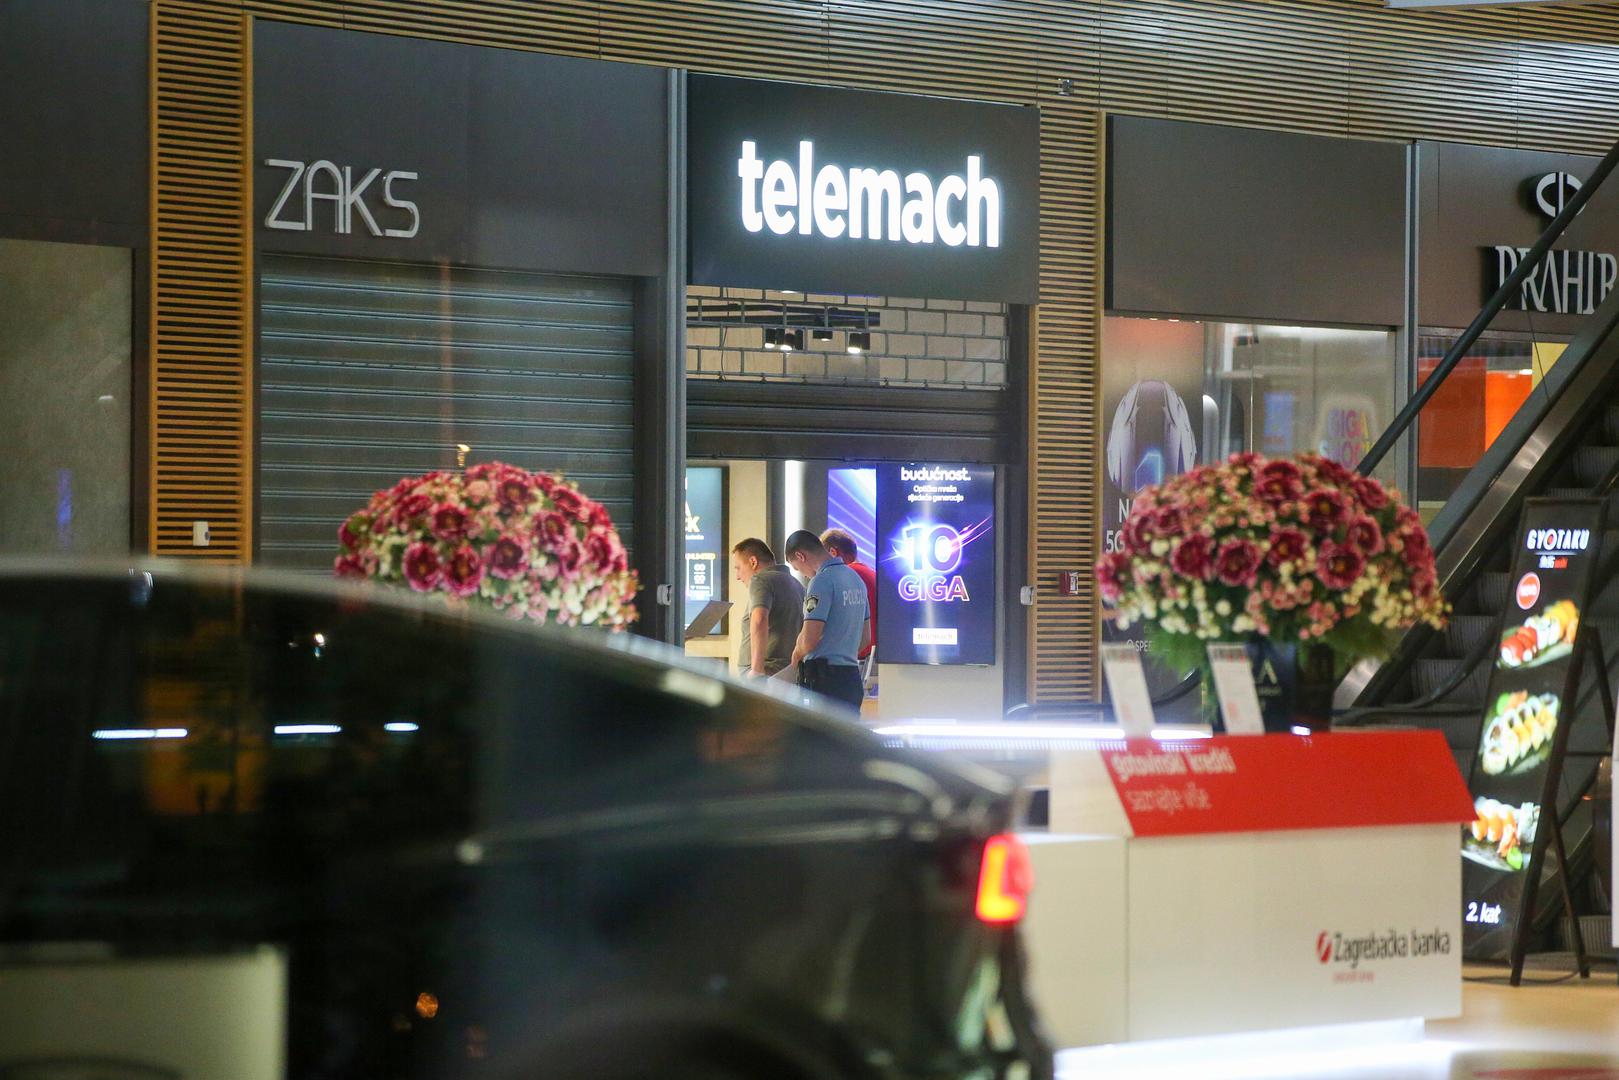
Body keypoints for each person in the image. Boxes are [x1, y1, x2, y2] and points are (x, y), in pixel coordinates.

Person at [784, 530, 870, 713]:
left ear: (800, 555)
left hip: (824, 682)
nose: (804, 575)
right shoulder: (856, 579)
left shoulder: (820, 582)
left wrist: (798, 652)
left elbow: (809, 640)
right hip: (851, 678)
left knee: (817, 740)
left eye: (797, 568)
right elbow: (865, 638)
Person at [730, 537, 804, 678]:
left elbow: (759, 619)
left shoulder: (761, 580)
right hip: (789, 671)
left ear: (753, 562)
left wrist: (756, 670)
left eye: (738, 568)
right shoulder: (796, 584)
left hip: (764, 672)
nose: (738, 576)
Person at [821, 528, 877, 662]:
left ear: (833, 553)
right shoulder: (870, 572)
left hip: (857, 656)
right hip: (872, 656)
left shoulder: (846, 575)